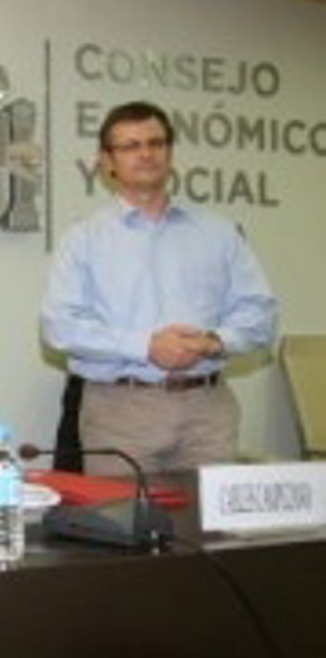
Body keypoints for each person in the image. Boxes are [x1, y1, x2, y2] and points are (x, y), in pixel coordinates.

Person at [41, 101, 277, 475]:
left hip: (207, 412)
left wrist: (214, 341)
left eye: (156, 143)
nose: (146, 154)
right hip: (120, 412)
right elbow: (60, 327)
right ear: (107, 161)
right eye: (131, 146)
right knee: (122, 512)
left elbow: (260, 315)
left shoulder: (218, 232)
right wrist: (147, 346)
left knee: (209, 514)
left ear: (170, 153)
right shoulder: (83, 239)